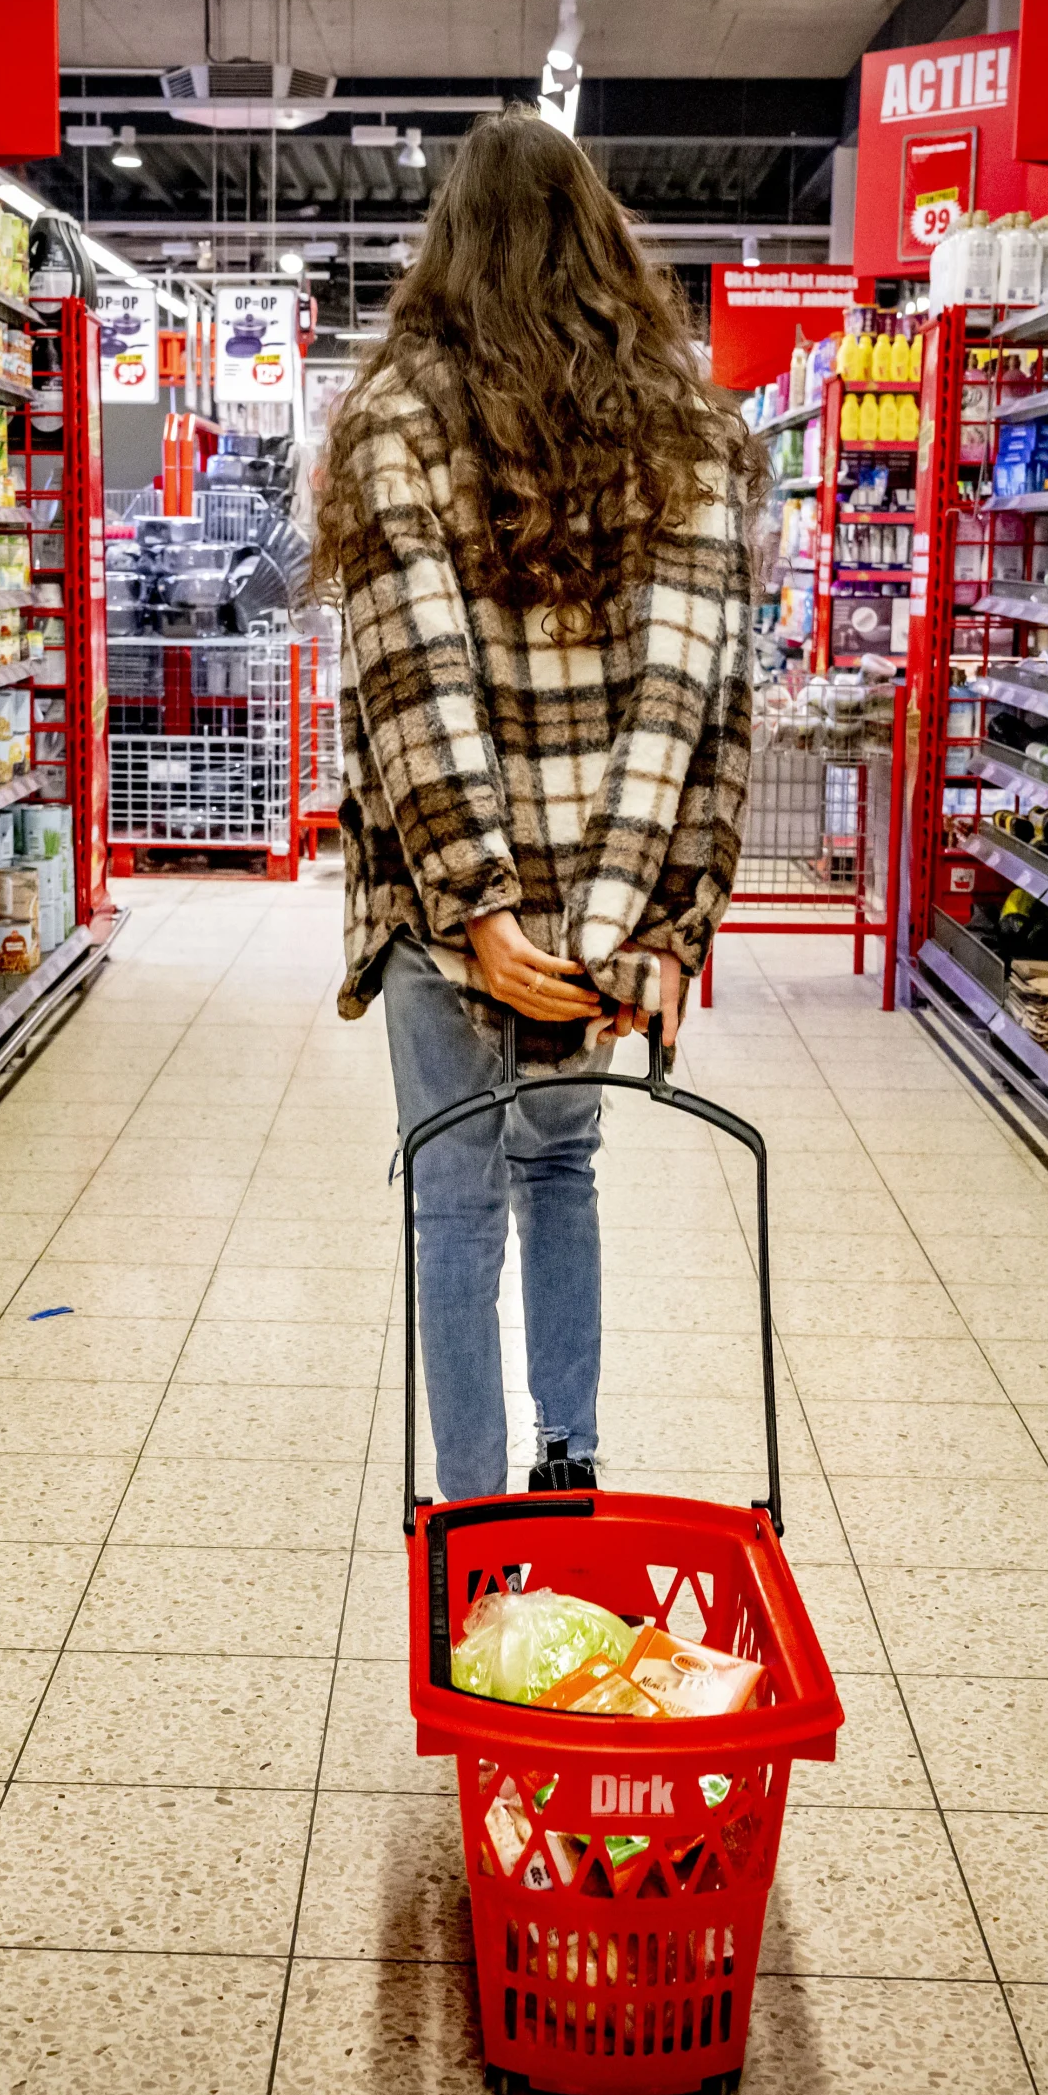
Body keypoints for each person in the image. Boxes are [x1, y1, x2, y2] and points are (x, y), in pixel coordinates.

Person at [314, 111, 762, 1502]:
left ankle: (473, 1518)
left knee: (453, 1205)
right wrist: (654, 926)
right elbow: (700, 699)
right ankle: (569, 1460)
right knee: (562, 1175)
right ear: (603, 243)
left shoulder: (397, 418)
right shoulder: (689, 433)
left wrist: (480, 902)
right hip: (601, 925)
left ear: (451, 247)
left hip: (450, 914)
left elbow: (414, 678)